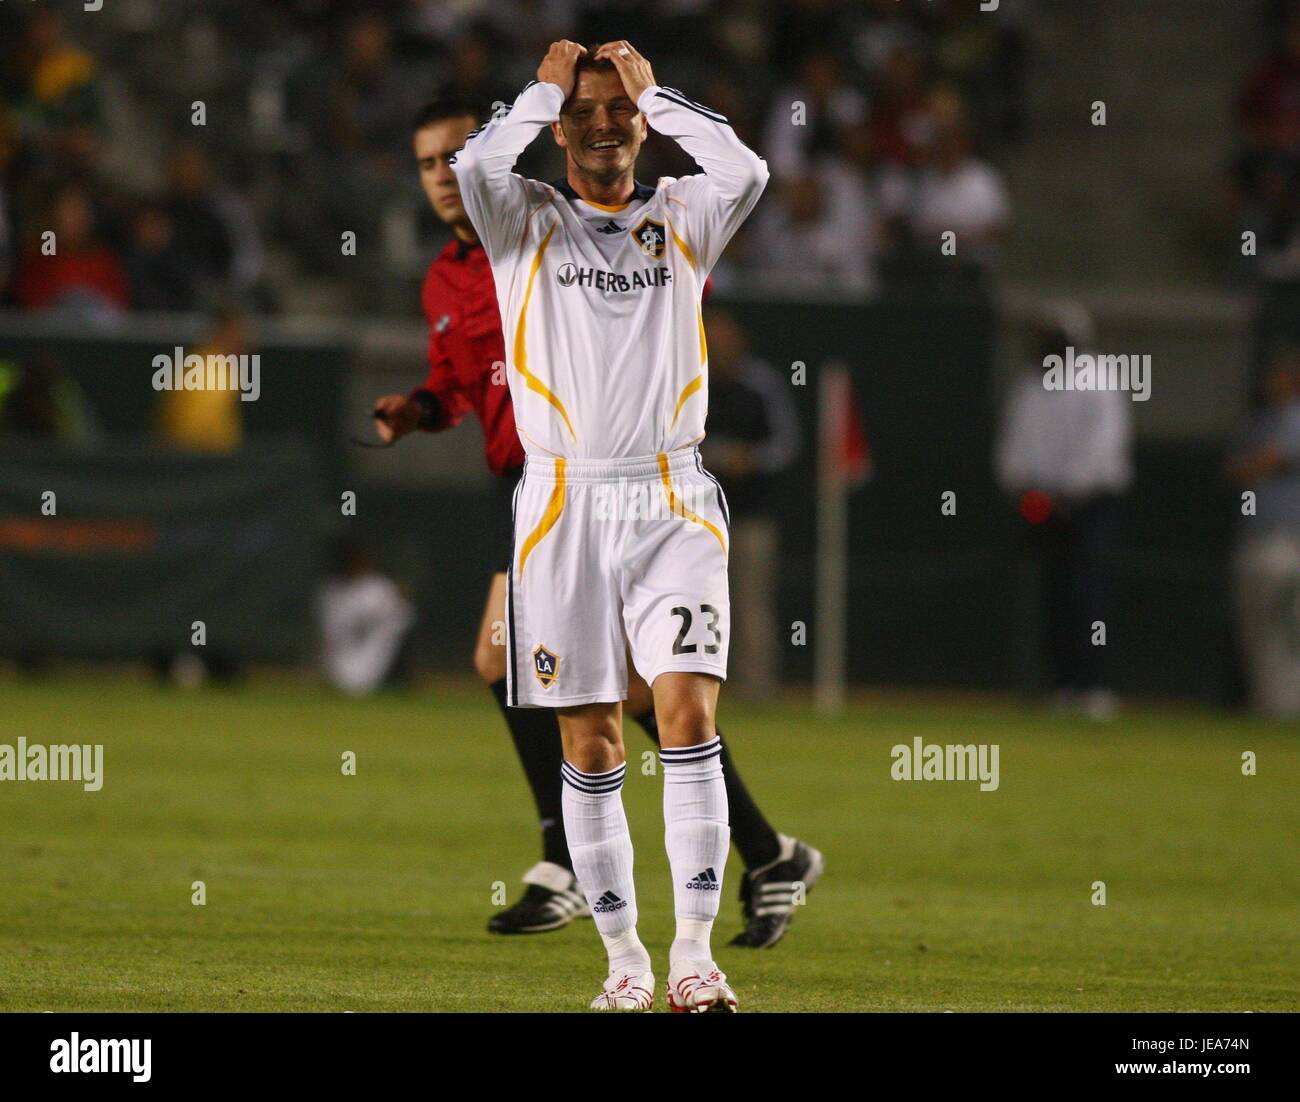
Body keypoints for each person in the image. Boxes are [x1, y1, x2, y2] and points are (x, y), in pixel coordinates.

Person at [372, 92, 821, 956]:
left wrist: (574, 99)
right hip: (542, 491)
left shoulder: (538, 224)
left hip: (617, 485)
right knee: (619, 694)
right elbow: (461, 385)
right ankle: (765, 854)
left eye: (448, 157)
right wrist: (421, 407)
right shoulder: (451, 275)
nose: (440, 177)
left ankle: (571, 860)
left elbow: (717, 179)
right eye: (424, 164)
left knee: (536, 667)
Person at [450, 37, 775, 1012]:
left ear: (639, 120)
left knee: (686, 715)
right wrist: (548, 84)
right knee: (589, 744)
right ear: (556, 127)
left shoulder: (685, 215)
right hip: (560, 502)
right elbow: (474, 160)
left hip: (670, 496)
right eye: (582, 113)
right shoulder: (520, 220)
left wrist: (655, 93)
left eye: (617, 111)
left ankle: (694, 960)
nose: (602, 125)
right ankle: (625, 964)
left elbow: (746, 167)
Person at [995, 302, 1132, 719]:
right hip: (1042, 504)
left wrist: (1066, 489)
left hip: (1090, 504)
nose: (1044, 344)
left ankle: (1094, 686)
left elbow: (1102, 445)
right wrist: (1027, 487)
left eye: (1052, 336)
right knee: (1052, 596)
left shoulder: (1099, 378)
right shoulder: (1030, 385)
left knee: (1086, 594)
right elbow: (1014, 446)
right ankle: (1061, 686)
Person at [698, 306, 801, 700]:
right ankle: (700, 686)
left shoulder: (761, 384)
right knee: (697, 604)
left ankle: (756, 689)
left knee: (752, 605)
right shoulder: (691, 380)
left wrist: (752, 459)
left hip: (751, 516)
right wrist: (713, 457)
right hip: (697, 518)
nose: (717, 346)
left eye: (724, 338)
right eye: (711, 338)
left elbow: (786, 445)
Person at [1227, 346, 1300, 718]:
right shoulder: (1263, 420)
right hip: (1257, 536)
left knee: (1283, 628)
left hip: (1286, 539)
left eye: (1281, 374)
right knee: (1255, 627)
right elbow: (1235, 468)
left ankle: (1286, 707)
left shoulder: (1294, 417)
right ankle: (1267, 704)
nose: (1272, 381)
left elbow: (1271, 458)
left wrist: (1253, 463)